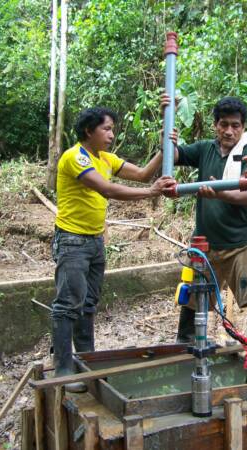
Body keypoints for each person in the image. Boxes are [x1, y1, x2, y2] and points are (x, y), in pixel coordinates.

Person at [51, 106, 175, 392]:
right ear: (88, 131)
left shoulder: (105, 158)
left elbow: (144, 174)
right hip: (72, 241)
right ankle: (63, 369)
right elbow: (106, 189)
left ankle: (86, 360)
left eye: (112, 129)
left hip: (95, 241)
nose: (111, 134)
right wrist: (152, 193)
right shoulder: (75, 158)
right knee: (67, 304)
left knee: (88, 304)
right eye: (106, 129)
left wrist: (163, 148)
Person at [171, 96, 247, 377]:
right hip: (206, 243)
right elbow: (176, 157)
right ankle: (184, 343)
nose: (229, 131)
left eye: (235, 126)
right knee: (192, 297)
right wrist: (169, 138)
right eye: (223, 125)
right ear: (215, 125)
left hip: (240, 243)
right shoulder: (205, 149)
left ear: (243, 127)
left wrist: (218, 190)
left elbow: (246, 195)